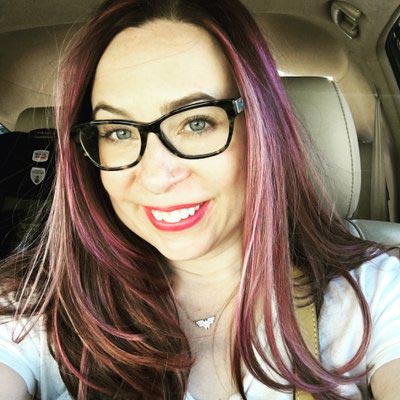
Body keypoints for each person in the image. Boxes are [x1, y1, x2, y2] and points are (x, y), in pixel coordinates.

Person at [0, 0, 399, 399]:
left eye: (196, 122)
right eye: (118, 131)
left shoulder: (373, 293)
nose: (156, 177)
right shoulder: (34, 308)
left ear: (262, 129)